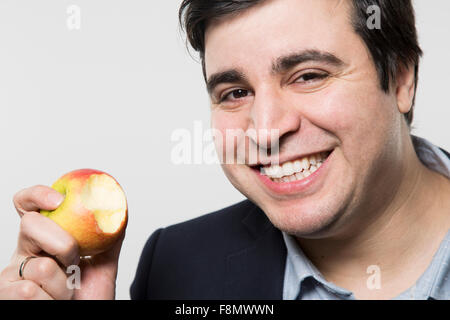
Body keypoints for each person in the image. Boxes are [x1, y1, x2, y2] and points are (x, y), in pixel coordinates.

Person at [0, 0, 449, 300]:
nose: (266, 129)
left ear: (402, 78)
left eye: (308, 75)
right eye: (235, 92)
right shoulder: (175, 268)